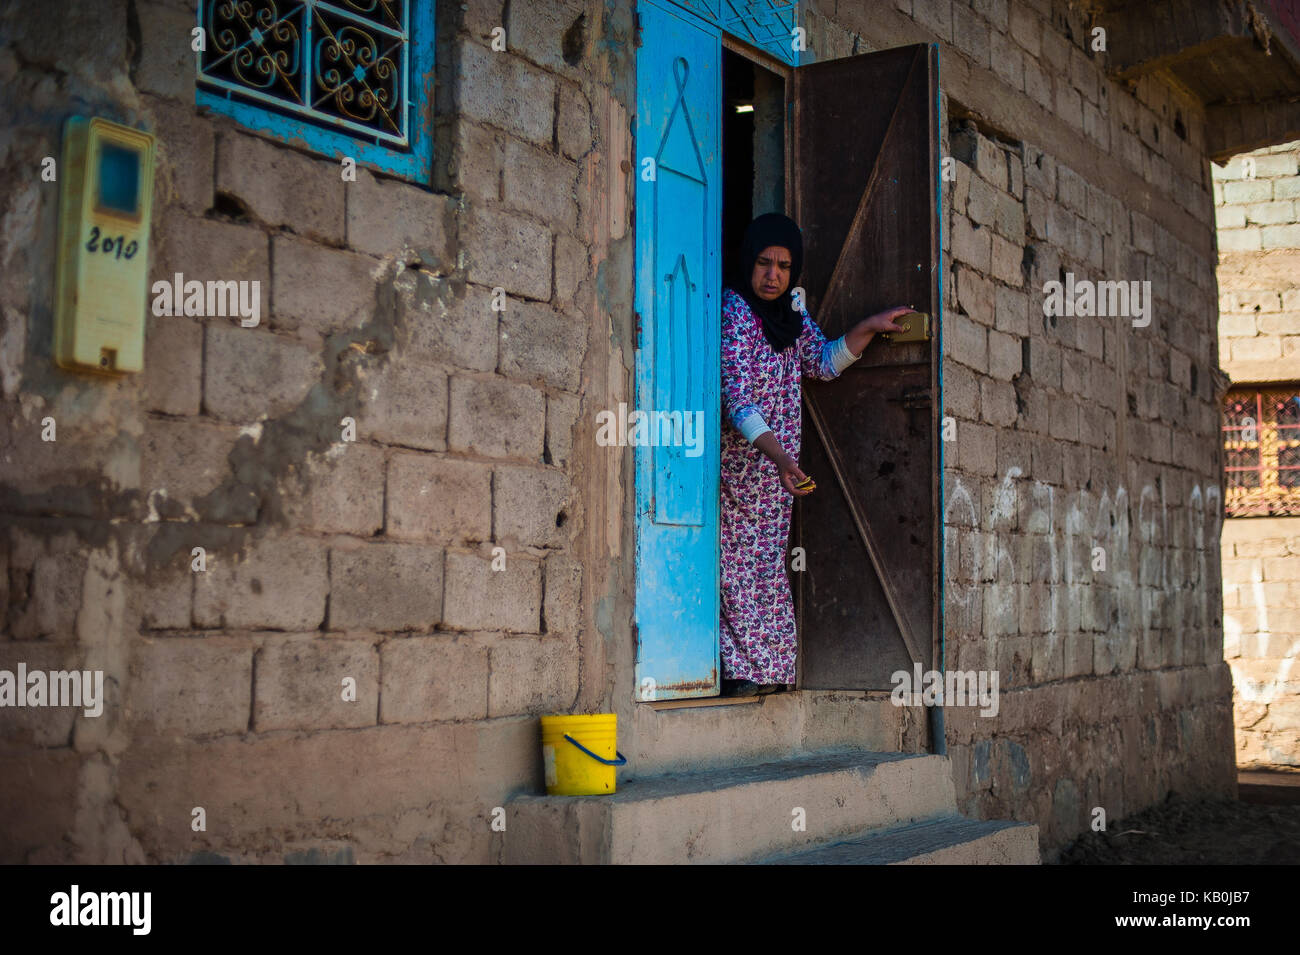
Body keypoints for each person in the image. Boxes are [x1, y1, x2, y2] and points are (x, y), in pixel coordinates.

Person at [719, 212, 916, 696]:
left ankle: (770, 672)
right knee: (734, 567)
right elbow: (738, 400)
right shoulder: (734, 312)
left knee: (765, 563)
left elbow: (823, 363)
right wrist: (780, 457)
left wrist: (869, 326)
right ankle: (743, 671)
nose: (773, 275)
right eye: (764, 263)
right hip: (744, 465)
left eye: (784, 266)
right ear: (748, 263)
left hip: (778, 474)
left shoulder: (792, 316)